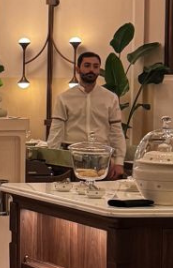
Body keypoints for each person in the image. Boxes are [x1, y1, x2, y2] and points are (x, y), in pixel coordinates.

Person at [45, 51, 125, 179]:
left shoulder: (111, 98)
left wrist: (119, 162)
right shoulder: (64, 98)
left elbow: (116, 132)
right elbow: (56, 130)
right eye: (87, 65)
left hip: (101, 158)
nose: (91, 70)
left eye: (95, 66)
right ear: (78, 69)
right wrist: (52, 159)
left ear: (99, 70)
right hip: (71, 158)